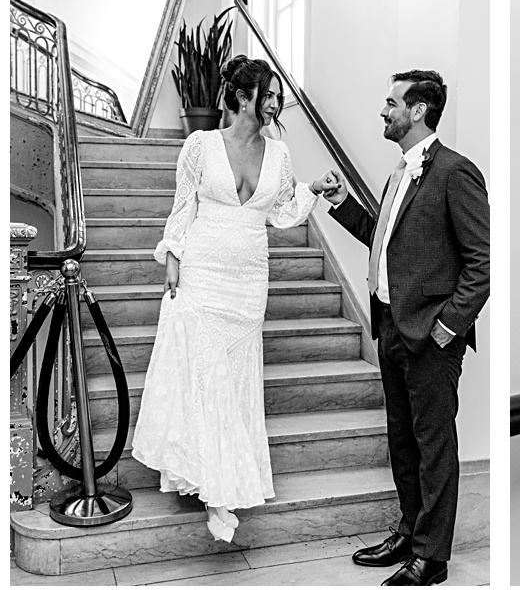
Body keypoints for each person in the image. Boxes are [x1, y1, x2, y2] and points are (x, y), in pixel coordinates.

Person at [131, 58, 341, 543]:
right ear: (243, 97)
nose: (275, 102)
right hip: (203, 271)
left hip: (248, 281)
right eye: (268, 94)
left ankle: (219, 476)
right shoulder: (200, 144)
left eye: (276, 95)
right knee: (206, 373)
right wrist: (173, 256)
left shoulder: (280, 154)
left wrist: (313, 189)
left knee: (234, 374)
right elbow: (184, 203)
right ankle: (216, 489)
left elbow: (283, 214)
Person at [321, 71, 491, 588]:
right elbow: (384, 239)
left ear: (418, 111)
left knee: (433, 447)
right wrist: (341, 202)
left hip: (431, 339)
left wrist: (446, 329)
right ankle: (410, 532)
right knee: (403, 443)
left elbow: (480, 266)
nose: (383, 111)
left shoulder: (455, 173)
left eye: (391, 102)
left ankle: (432, 557)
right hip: (391, 328)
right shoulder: (399, 173)